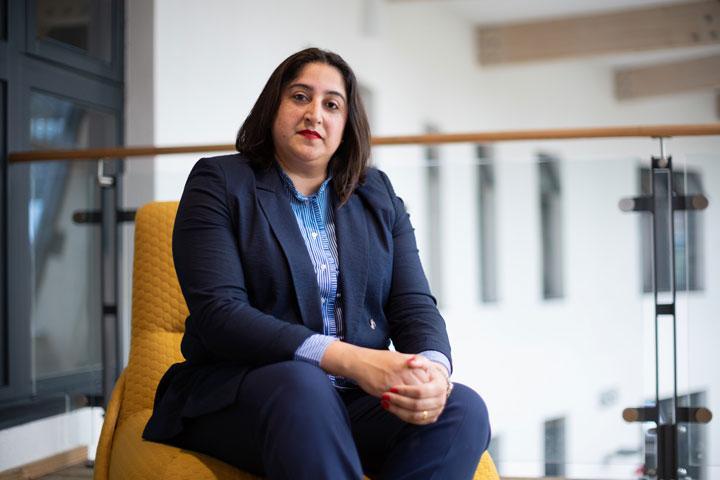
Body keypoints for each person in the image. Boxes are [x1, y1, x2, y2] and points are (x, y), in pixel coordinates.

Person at [143, 47, 491, 479]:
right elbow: (220, 315)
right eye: (300, 97)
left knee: (462, 408)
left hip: (353, 403)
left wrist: (432, 371)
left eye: (332, 104)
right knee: (303, 386)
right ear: (274, 107)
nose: (315, 114)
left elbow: (414, 304)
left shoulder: (377, 194)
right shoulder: (220, 182)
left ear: (346, 126)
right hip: (243, 394)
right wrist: (349, 359)